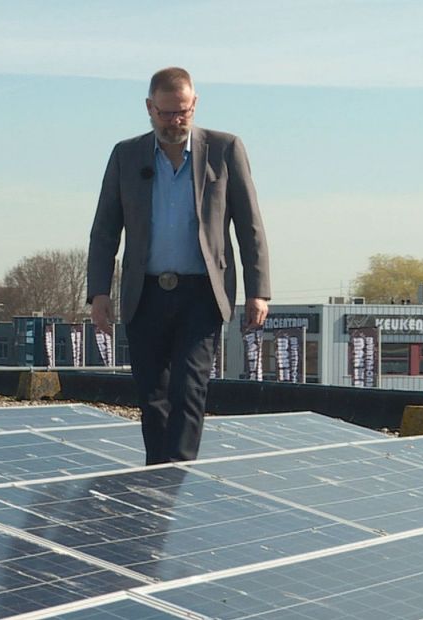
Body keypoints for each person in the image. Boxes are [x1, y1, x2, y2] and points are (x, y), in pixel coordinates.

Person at [86, 67, 270, 465]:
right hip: (145, 293)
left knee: (189, 389)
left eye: (183, 112)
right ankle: (157, 475)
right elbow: (104, 230)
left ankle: (180, 479)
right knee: (152, 395)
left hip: (201, 293)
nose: (176, 121)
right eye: (167, 113)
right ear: (150, 108)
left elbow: (250, 225)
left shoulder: (225, 149)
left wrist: (259, 291)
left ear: (195, 104)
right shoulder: (126, 155)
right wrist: (98, 292)